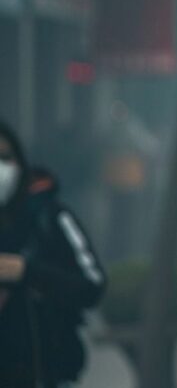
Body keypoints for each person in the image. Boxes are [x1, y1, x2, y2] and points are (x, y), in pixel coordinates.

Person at [0, 121, 106, 387]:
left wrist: (28, 272)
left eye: (4, 158)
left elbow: (92, 286)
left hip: (46, 375)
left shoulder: (50, 218)